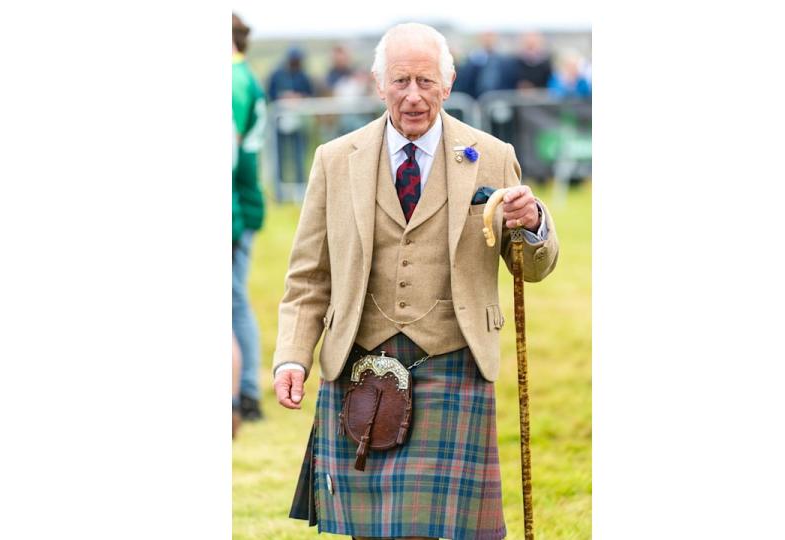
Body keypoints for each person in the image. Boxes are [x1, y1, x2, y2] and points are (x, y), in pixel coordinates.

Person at [272, 22, 560, 540]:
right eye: (400, 81)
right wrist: (293, 355)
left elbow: (531, 268)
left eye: (426, 82)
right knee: (373, 529)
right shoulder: (335, 160)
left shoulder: (491, 156)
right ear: (378, 84)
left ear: (447, 86)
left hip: (454, 359)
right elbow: (308, 276)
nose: (412, 96)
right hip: (359, 367)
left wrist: (534, 222)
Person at [232, 13, 267, 422]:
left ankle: (246, 395)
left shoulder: (234, 80)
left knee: (234, 302)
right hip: (243, 202)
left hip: (236, 207)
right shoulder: (244, 77)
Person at [268, 46, 315, 202]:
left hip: (299, 123)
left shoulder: (303, 76)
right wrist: (283, 98)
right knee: (280, 158)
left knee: (299, 157)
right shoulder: (277, 75)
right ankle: (280, 192)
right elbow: (270, 93)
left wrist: (299, 98)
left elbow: (310, 93)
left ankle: (301, 191)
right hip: (280, 124)